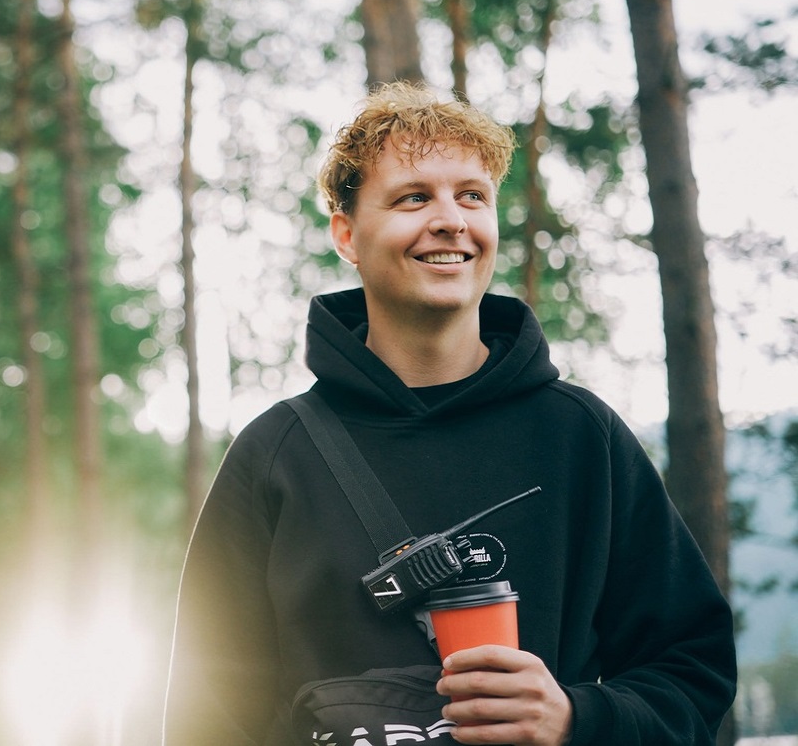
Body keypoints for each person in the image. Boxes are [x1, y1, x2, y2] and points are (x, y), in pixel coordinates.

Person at [163, 82, 736, 745]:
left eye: (471, 195)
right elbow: (205, 711)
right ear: (346, 234)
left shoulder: (581, 436)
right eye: (413, 197)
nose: (450, 220)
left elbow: (691, 667)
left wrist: (577, 717)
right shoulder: (276, 453)